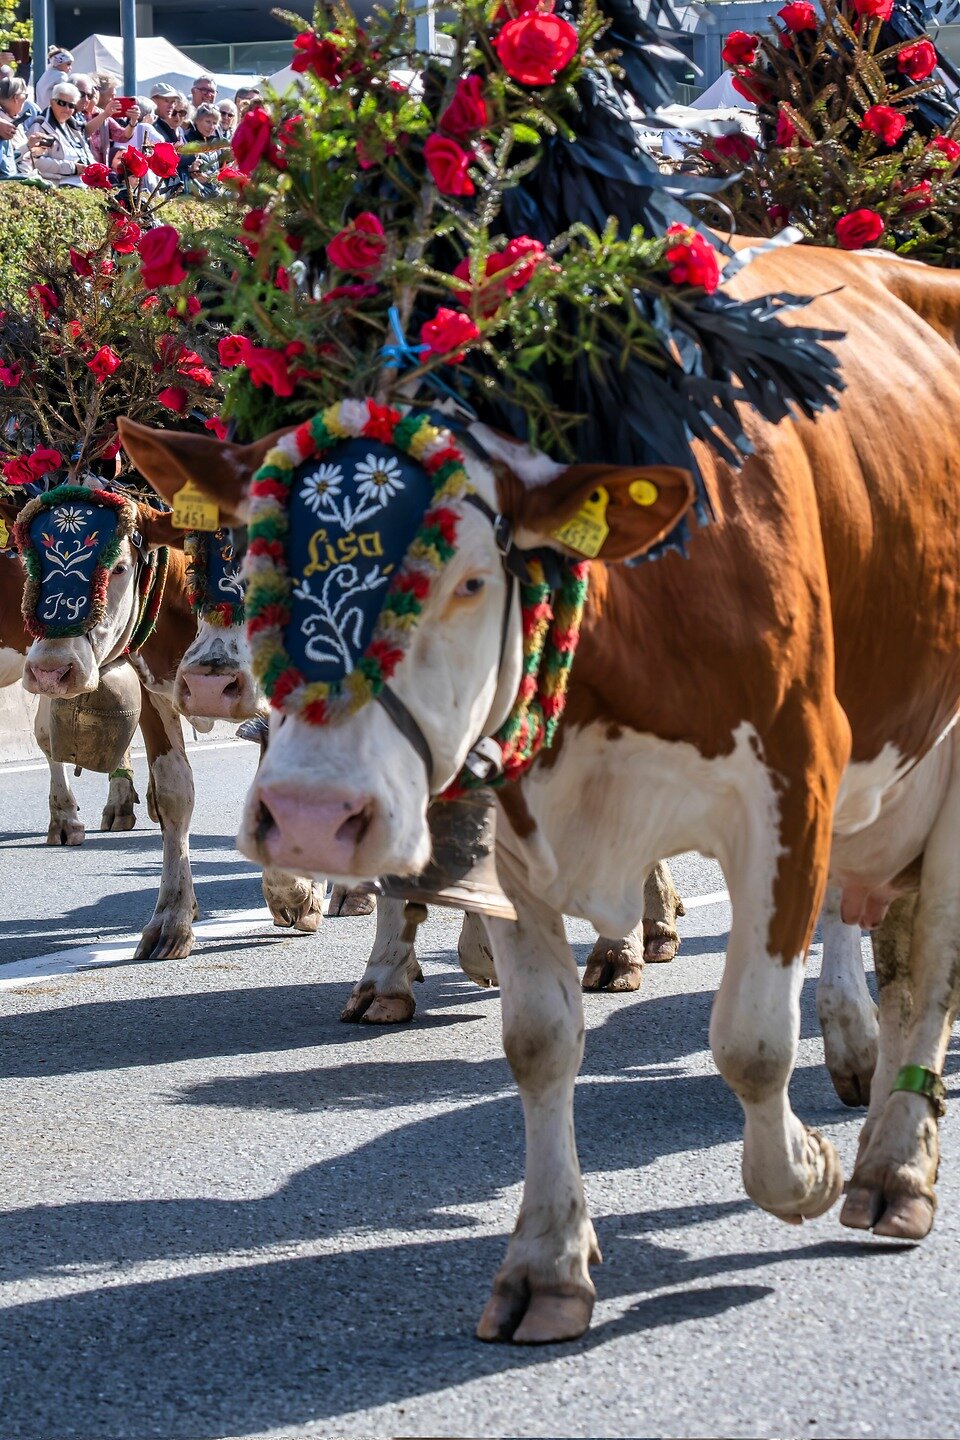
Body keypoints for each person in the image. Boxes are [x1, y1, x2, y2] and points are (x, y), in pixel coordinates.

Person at [26, 80, 95, 186]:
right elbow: (37, 162)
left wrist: (95, 168)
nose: (66, 109)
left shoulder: (74, 127)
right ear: (51, 102)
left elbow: (86, 153)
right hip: (59, 186)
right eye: (62, 103)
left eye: (71, 105)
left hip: (84, 184)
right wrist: (73, 168)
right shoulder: (41, 127)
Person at [179, 102, 225, 196]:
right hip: (193, 195)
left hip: (213, 194)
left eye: (215, 123)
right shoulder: (186, 139)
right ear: (197, 120)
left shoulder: (214, 142)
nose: (211, 127)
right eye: (208, 121)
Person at [0, 75, 33, 179]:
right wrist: (28, 146)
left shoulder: (14, 119)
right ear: (16, 97)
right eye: (25, 96)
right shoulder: (3, 125)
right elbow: (9, 158)